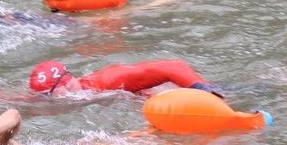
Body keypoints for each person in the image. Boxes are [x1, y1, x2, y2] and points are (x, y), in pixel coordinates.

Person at [28, 59, 221, 97]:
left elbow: (173, 66)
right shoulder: (76, 93)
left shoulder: (108, 81)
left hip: (198, 93)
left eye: (46, 95)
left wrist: (205, 91)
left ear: (66, 85)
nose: (45, 100)